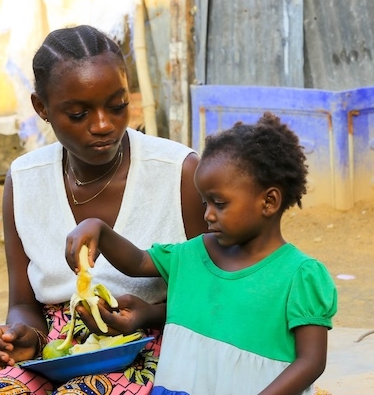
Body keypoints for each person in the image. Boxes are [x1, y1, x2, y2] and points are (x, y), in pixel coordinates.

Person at [0, 24, 207, 394]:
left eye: (117, 107)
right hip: (56, 347)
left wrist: (148, 316)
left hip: (153, 341)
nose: (103, 125)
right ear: (42, 108)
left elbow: (216, 294)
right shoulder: (24, 179)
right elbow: (22, 302)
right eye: (78, 114)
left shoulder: (179, 173)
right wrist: (20, 337)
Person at [65, 112, 338, 395]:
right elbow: (138, 262)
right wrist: (99, 229)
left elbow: (312, 360)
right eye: (205, 202)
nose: (207, 214)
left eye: (219, 203)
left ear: (268, 201)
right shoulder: (193, 254)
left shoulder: (299, 275)